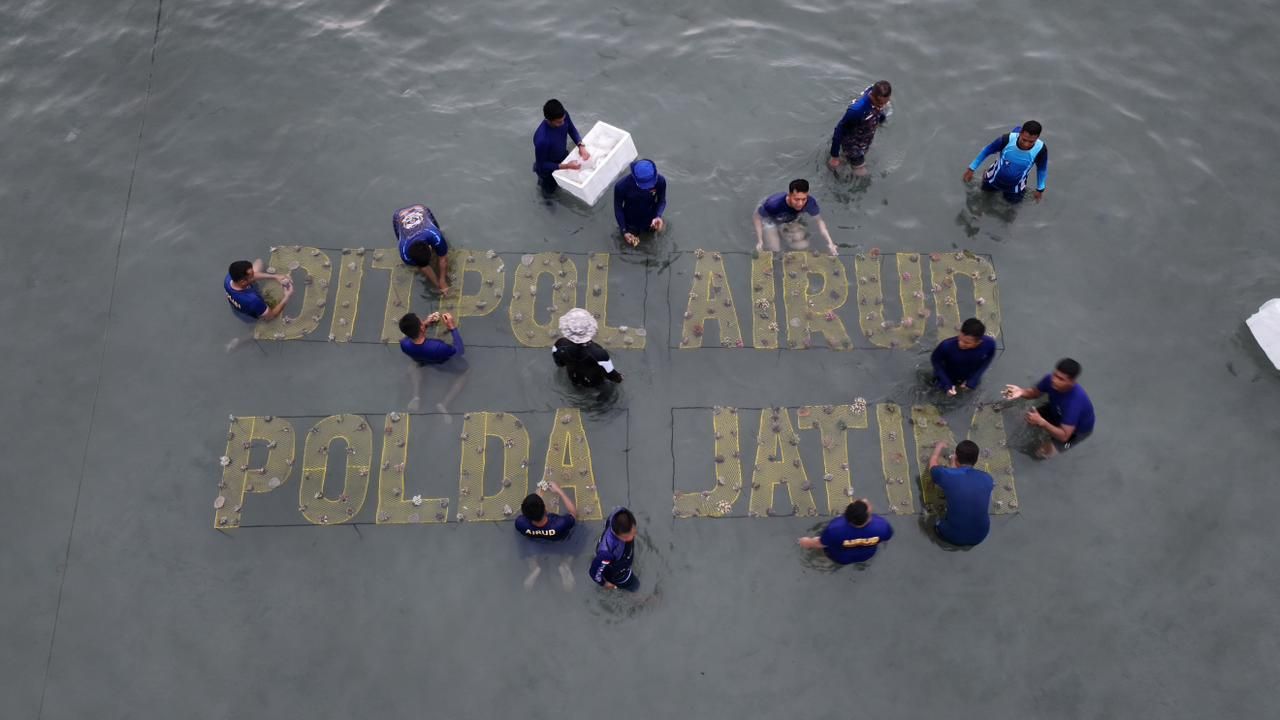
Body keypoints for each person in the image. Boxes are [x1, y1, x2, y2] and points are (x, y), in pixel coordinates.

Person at [1004, 358, 1095, 458]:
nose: (1055, 380)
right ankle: (1045, 426)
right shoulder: (1049, 380)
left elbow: (1064, 437)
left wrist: (1041, 422)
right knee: (1026, 418)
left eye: (1061, 379)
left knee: (1041, 454)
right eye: (1055, 375)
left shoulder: (1074, 403)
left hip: (1075, 432)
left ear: (1072, 382)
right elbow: (1034, 393)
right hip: (1055, 410)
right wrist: (1022, 392)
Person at [927, 440, 995, 546]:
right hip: (981, 535)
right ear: (976, 460)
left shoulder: (944, 474)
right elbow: (964, 482)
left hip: (952, 535)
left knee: (935, 520)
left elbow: (932, 465)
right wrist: (955, 463)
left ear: (956, 457)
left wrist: (938, 447)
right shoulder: (988, 479)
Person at [963, 121, 1048, 204]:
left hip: (1016, 188)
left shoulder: (1040, 150)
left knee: (1009, 212)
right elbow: (987, 151)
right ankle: (986, 174)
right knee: (983, 199)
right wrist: (971, 168)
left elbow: (1041, 169)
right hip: (992, 180)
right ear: (1020, 133)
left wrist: (1040, 189)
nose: (1026, 144)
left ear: (1037, 138)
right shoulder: (1006, 140)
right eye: (1024, 140)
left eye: (1031, 142)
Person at [752, 179, 838, 255]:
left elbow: (819, 221)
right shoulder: (774, 204)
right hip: (769, 220)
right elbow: (757, 217)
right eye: (796, 199)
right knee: (775, 249)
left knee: (801, 243)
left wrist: (830, 242)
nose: (800, 203)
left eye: (803, 199)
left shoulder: (810, 202)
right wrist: (760, 240)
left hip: (790, 218)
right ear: (789, 195)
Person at [798, 499, 894, 564]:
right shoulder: (882, 527)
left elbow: (819, 543)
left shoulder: (835, 528)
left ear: (846, 514)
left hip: (840, 557)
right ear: (868, 518)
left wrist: (806, 542)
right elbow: (886, 537)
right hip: (866, 555)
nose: (865, 500)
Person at [827, 80, 892, 176]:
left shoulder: (874, 92)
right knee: (862, 175)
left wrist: (881, 120)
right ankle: (835, 167)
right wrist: (834, 156)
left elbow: (879, 111)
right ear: (876, 97)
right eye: (883, 102)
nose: (885, 104)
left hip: (864, 140)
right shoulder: (857, 111)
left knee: (847, 160)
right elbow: (839, 130)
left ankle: (843, 160)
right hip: (853, 146)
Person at [552, 308, 624, 388]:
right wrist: (620, 379)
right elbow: (611, 374)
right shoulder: (600, 354)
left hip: (574, 378)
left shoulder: (559, 345)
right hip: (594, 381)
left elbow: (559, 363)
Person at [532, 98, 591, 195]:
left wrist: (581, 146)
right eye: (559, 122)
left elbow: (571, 129)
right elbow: (541, 166)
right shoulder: (542, 140)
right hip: (548, 171)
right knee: (549, 194)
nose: (563, 123)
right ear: (548, 120)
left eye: (563, 119)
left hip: (563, 156)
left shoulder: (563, 115)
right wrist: (567, 166)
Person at [931, 318, 998, 396]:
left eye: (966, 343)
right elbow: (935, 361)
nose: (961, 343)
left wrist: (974, 379)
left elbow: (988, 358)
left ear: (978, 342)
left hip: (968, 378)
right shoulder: (946, 346)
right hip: (946, 377)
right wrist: (946, 384)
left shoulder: (989, 344)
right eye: (960, 338)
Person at [394, 204, 450, 294]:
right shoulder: (404, 254)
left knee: (440, 249)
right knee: (401, 235)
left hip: (421, 209)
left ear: (430, 247)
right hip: (398, 217)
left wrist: (442, 280)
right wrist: (437, 285)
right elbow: (423, 267)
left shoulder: (436, 236)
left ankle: (438, 250)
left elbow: (443, 258)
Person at [613, 159, 667, 247]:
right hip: (630, 222)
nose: (647, 188)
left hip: (651, 220)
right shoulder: (621, 186)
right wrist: (624, 231)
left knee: (654, 240)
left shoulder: (660, 181)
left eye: (650, 184)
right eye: (644, 185)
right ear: (634, 177)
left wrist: (658, 216)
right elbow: (618, 208)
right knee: (629, 245)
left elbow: (662, 200)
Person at [225, 259, 293, 322]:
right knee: (269, 315)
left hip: (238, 305)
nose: (254, 275)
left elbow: (253, 274)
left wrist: (275, 276)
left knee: (259, 262)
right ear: (243, 281)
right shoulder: (253, 300)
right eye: (252, 276)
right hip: (251, 316)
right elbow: (270, 316)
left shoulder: (228, 279)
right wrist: (287, 296)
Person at [589, 507, 638, 590]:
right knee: (635, 586)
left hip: (622, 557)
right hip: (618, 573)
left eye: (634, 532)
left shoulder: (619, 512)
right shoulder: (606, 553)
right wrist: (604, 583)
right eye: (628, 536)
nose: (633, 536)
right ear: (617, 535)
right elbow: (593, 572)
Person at [398, 312, 463, 365]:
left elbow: (414, 333)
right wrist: (452, 327)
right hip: (442, 361)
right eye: (422, 321)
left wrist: (425, 323)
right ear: (421, 328)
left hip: (425, 361)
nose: (423, 321)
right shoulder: (438, 347)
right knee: (467, 370)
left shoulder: (403, 344)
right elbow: (459, 351)